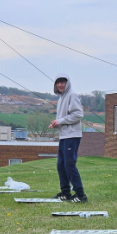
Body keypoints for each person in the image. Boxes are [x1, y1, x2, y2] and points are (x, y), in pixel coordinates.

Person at [48, 74, 87, 203]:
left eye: (62, 82)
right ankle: (65, 192)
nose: (60, 85)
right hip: (64, 135)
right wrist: (57, 123)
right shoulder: (61, 98)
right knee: (61, 165)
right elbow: (64, 118)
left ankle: (80, 195)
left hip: (72, 135)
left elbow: (78, 114)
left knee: (69, 164)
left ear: (67, 83)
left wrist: (60, 121)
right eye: (58, 82)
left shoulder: (72, 95)